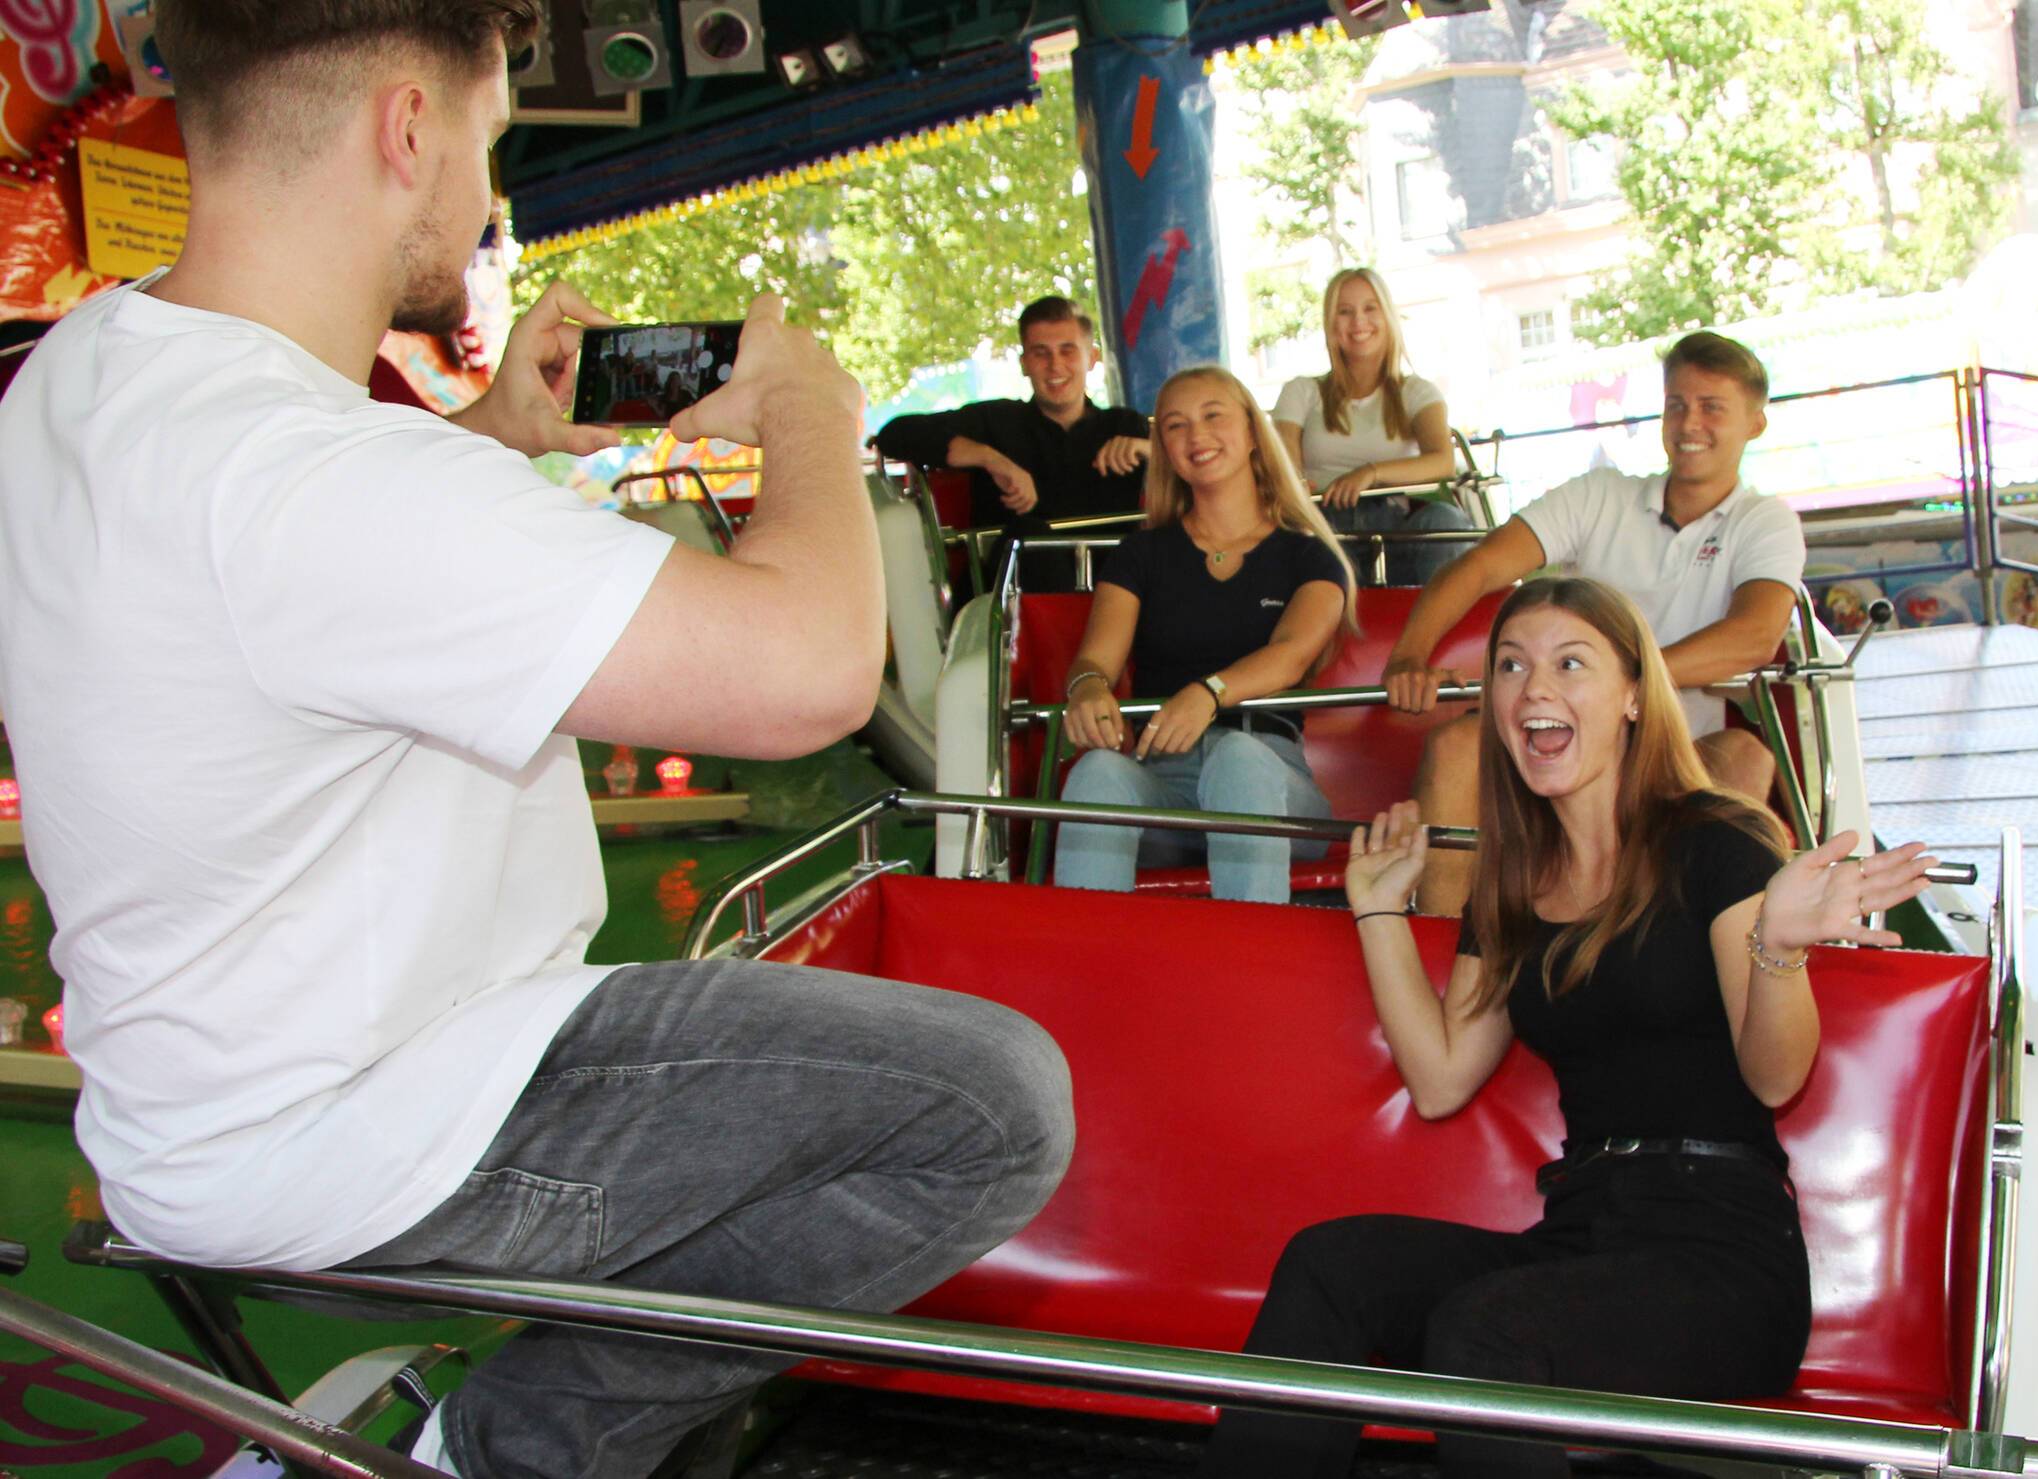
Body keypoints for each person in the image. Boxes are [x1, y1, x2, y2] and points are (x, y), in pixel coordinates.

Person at [0, 5, 1074, 1477]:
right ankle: (492, 1452)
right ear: (407, 128)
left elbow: (275, 579)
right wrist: (814, 412)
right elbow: (814, 671)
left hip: (187, 1107)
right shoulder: (324, 481)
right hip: (371, 1112)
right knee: (991, 1107)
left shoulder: (83, 375)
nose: (486, 197)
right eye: (488, 141)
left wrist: (488, 444)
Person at [1197, 576, 1937, 1479]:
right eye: (1510, 665)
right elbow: (1439, 1078)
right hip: (1585, 1234)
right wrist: (1378, 913)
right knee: (1332, 1264)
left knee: (1485, 1334)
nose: (1532, 686)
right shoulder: (1516, 880)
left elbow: (1776, 1078)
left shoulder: (1716, 843)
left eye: (1569, 662)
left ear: (1632, 696)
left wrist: (1778, 947)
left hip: (1725, 1259)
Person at [1386, 330, 1806, 916]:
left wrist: (1622, 682)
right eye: (1677, 405)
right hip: (1557, 740)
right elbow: (1479, 566)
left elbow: (1755, 635)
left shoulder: (1765, 522)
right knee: (1458, 746)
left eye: (1713, 407)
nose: (1690, 424)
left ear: (1755, 423)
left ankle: (1694, 941)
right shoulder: (1601, 496)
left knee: (1744, 755)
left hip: (1670, 754)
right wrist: (1410, 654)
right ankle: (1439, 942)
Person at [1053, 367, 1355, 904]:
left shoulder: (1306, 556)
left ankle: (1252, 970)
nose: (1197, 436)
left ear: (1250, 432)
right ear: (1163, 448)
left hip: (1270, 772)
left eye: (1213, 416)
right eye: (1176, 425)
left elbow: (1290, 656)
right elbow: (1094, 660)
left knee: (1239, 756)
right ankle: (1086, 968)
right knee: (1098, 770)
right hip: (1165, 777)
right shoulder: (1140, 555)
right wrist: (1089, 689)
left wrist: (1208, 694)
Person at [871, 296, 1150, 579]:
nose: (1055, 365)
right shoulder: (996, 421)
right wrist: (990, 459)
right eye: (1041, 353)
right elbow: (895, 434)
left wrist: (1148, 449)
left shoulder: (1125, 426)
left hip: (1113, 592)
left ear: (1091, 359)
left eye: (1067, 351)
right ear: (1024, 363)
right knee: (1029, 533)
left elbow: (1189, 474)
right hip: (1014, 598)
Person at [1271, 268, 1474, 586]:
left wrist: (1370, 473)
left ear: (1387, 317)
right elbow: (1283, 470)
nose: (1358, 322)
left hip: (1398, 530)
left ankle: (1442, 631)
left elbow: (1442, 461)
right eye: (1345, 311)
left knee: (1447, 522)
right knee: (1291, 535)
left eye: (1369, 308)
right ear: (1331, 323)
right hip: (1325, 527)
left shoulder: (1417, 392)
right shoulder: (1301, 392)